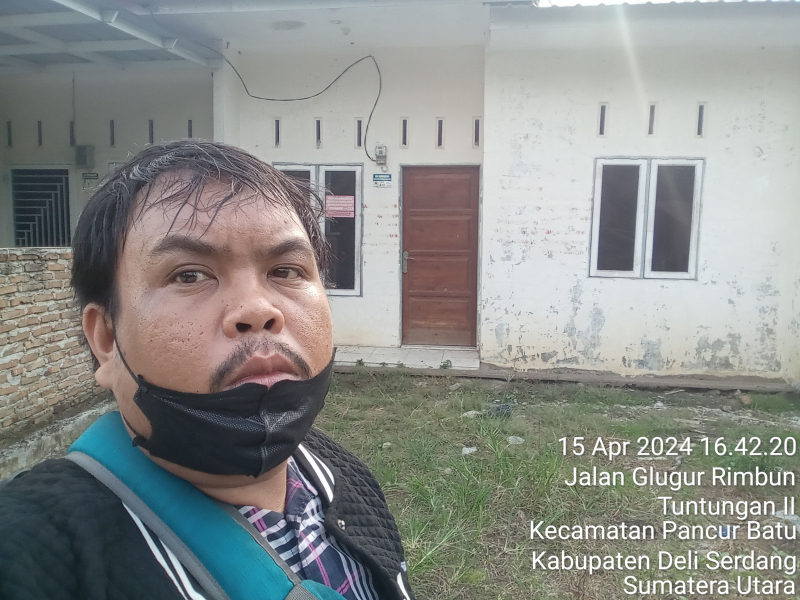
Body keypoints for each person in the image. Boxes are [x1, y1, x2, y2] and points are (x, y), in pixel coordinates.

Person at [0, 140, 415, 600]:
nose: (258, 310)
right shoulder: (37, 549)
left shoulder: (339, 472)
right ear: (106, 340)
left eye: (286, 270)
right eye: (189, 275)